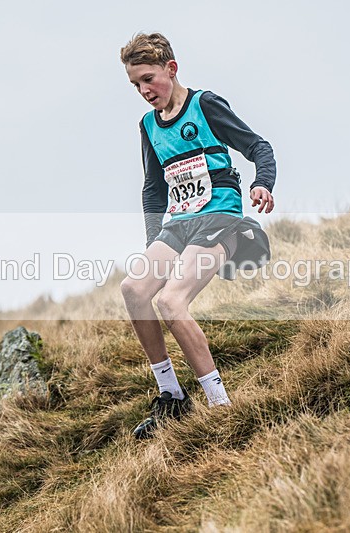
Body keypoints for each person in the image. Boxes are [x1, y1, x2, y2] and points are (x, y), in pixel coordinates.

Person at [119, 32, 276, 439]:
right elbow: (153, 188)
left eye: (149, 79)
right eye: (136, 84)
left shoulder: (205, 105)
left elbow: (258, 146)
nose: (144, 91)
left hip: (219, 218)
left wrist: (262, 183)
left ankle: (221, 406)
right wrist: (154, 240)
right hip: (179, 222)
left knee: (171, 301)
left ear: (171, 69)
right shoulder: (148, 126)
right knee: (134, 289)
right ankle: (172, 396)